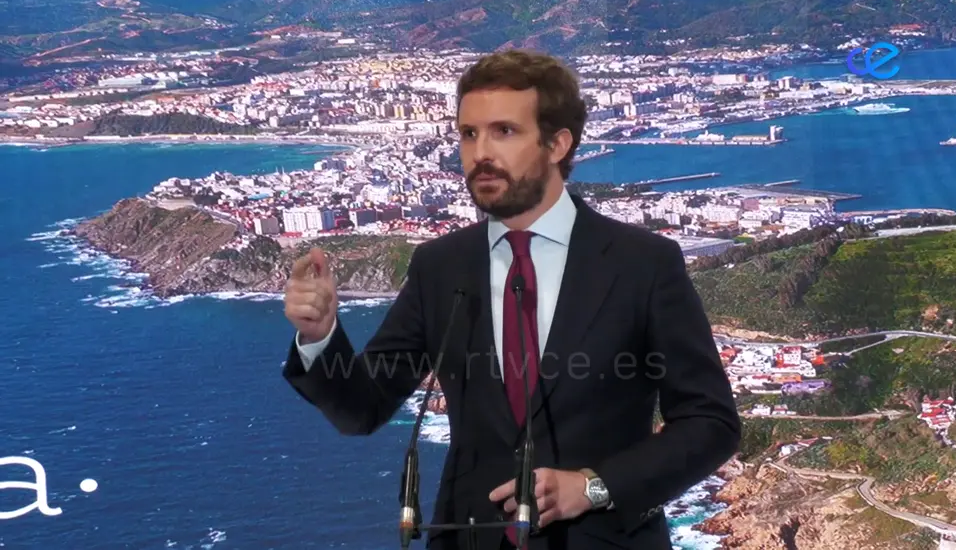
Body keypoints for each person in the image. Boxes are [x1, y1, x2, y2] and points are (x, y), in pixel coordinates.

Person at [282, 48, 741, 550]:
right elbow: (361, 410)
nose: (480, 153)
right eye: (468, 133)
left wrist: (593, 486)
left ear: (557, 144)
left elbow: (709, 423)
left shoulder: (643, 264)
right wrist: (321, 335)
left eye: (504, 131)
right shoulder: (440, 266)